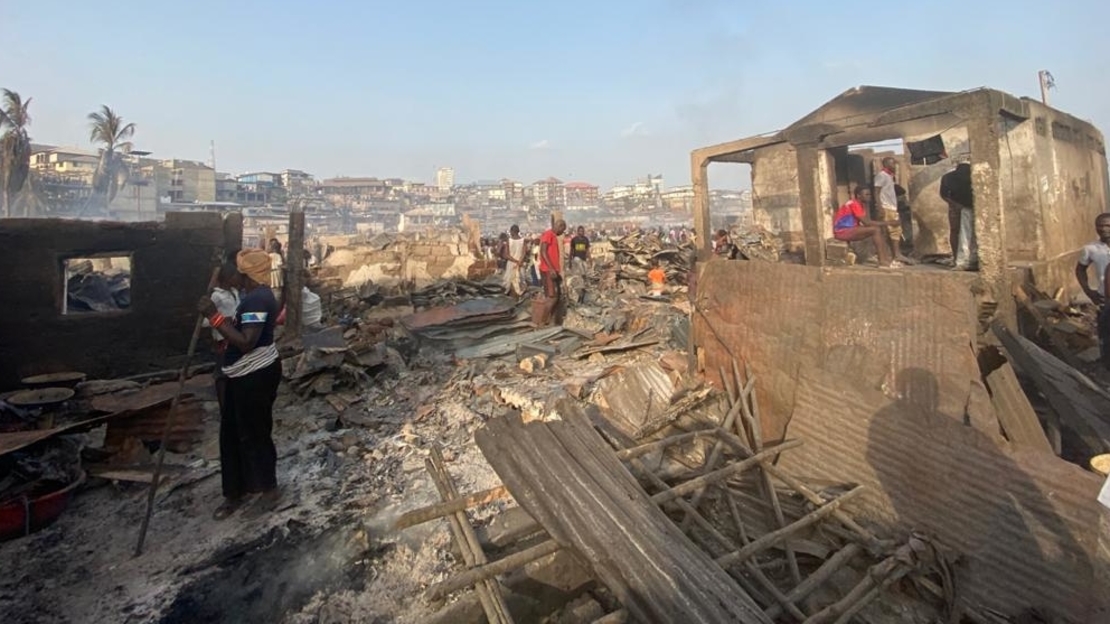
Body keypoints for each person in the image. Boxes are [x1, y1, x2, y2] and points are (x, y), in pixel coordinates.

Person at [199, 248, 283, 520]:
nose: (231, 274)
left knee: (254, 433)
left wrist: (214, 317)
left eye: (235, 270)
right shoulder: (251, 297)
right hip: (240, 374)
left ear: (245, 274)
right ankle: (236, 490)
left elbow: (246, 342)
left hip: (255, 374)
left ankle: (268, 490)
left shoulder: (257, 300)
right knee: (232, 434)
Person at [202, 261, 242, 417]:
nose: (238, 278)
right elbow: (206, 321)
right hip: (222, 339)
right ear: (228, 277)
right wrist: (224, 319)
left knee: (233, 371)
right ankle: (224, 407)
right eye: (235, 275)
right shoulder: (216, 296)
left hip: (234, 337)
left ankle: (232, 403)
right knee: (221, 374)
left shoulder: (234, 292)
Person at [833, 186, 901, 268]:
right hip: (842, 231)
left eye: (869, 194)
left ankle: (885, 259)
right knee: (875, 230)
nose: (869, 196)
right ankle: (882, 261)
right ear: (858, 196)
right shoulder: (854, 204)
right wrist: (890, 223)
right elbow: (867, 222)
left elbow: (867, 221)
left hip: (849, 229)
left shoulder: (860, 205)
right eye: (866, 194)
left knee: (878, 230)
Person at [1077, 213, 1110, 370]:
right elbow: (1080, 270)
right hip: (1105, 298)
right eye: (1100, 225)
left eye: (1108, 225)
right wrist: (1088, 291)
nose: (1104, 229)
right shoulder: (1091, 249)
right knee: (1105, 333)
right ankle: (1106, 364)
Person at [873, 157, 913, 264]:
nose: (894, 166)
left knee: (895, 231)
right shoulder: (881, 175)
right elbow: (876, 192)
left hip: (891, 207)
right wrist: (880, 206)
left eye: (894, 164)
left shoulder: (889, 176)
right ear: (885, 164)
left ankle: (895, 254)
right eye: (891, 164)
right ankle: (891, 255)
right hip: (886, 207)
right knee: (888, 230)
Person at [940, 162, 977, 270]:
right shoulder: (970, 175)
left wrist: (955, 204)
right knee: (962, 233)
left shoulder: (948, 177)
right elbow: (943, 194)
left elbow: (943, 194)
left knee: (959, 232)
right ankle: (961, 259)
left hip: (958, 206)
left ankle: (960, 260)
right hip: (965, 207)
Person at [538, 219, 567, 326]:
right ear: (559, 226)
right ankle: (542, 321)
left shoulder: (553, 236)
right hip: (548, 270)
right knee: (552, 297)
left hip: (552, 270)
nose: (562, 233)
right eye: (562, 230)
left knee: (552, 296)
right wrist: (551, 268)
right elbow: (543, 251)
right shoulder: (548, 234)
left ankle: (548, 320)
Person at [501, 225, 527, 299]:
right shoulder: (523, 240)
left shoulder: (509, 241)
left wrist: (515, 261)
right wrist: (519, 261)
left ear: (511, 231)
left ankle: (509, 297)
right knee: (520, 280)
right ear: (518, 231)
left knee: (508, 281)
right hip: (520, 263)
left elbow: (506, 255)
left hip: (511, 264)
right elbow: (524, 252)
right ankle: (519, 296)